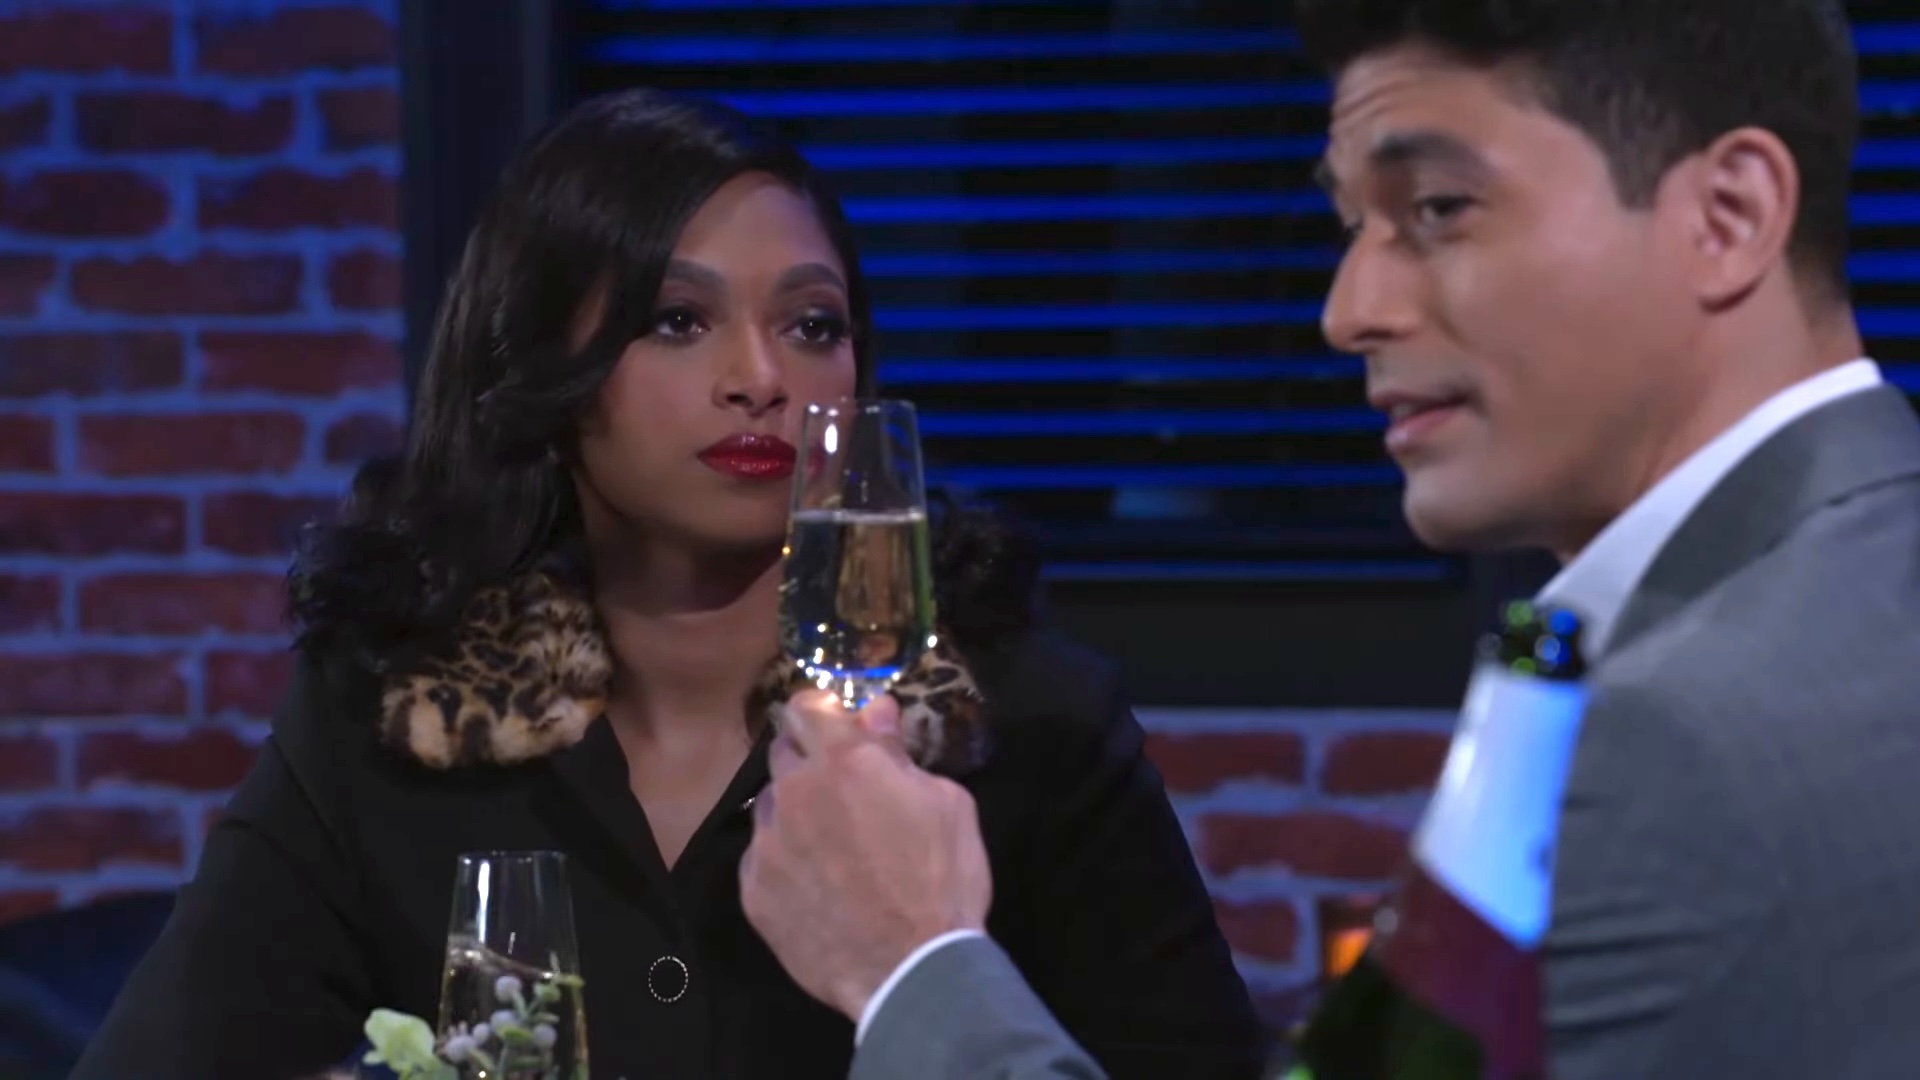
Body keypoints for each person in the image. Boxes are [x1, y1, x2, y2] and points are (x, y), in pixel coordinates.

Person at [742, 1, 1920, 1076]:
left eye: (1438, 210)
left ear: (1730, 215)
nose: (1349, 310)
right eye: (1354, 225)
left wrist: (910, 963)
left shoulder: (1676, 736)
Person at [69, 88, 1267, 1080]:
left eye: (812, 326)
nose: (762, 378)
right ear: (542, 365)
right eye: (679, 320)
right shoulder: (383, 718)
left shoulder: (1029, 725)